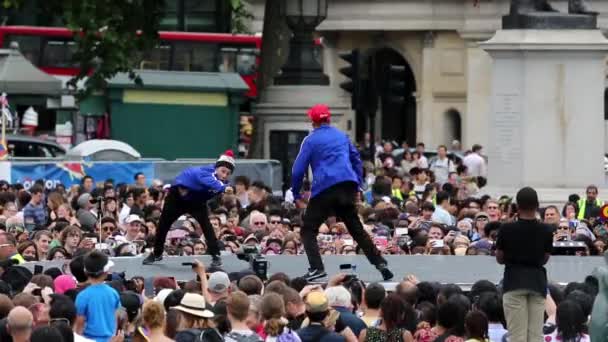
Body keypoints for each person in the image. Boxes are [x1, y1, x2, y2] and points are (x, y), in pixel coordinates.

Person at [290, 104, 393, 281]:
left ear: (313, 121)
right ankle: (379, 262)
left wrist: (296, 193)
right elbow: (356, 160)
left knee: (308, 229)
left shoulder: (310, 140)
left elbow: (297, 170)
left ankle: (317, 268)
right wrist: (358, 184)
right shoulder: (342, 136)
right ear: (329, 119)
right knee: (356, 228)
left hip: (325, 186)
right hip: (347, 185)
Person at [143, 150, 235, 266]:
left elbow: (217, 191)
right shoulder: (205, 173)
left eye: (228, 173)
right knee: (163, 225)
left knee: (207, 226)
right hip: (176, 199)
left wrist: (225, 189)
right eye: (223, 171)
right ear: (216, 168)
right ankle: (157, 254)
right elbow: (211, 182)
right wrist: (223, 188)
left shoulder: (222, 182)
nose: (224, 175)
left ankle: (215, 255)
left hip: (197, 202)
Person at [496, 187, 553, 342]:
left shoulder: (506, 228)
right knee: (535, 336)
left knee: (516, 336)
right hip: (537, 282)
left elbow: (499, 258)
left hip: (514, 281)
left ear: (517, 206)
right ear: (537, 205)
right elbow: (545, 259)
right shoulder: (546, 230)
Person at [75, 251, 121, 342]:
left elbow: (79, 325)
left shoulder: (82, 296)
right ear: (106, 272)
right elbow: (116, 317)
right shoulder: (113, 292)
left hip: (88, 339)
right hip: (110, 339)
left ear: (85, 271)